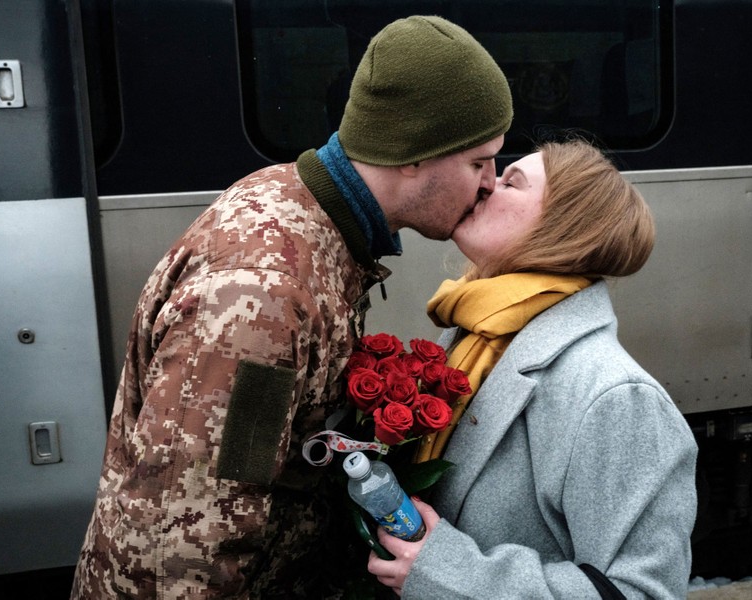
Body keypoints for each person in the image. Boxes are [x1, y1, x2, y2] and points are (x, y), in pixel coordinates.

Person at [71, 15, 512, 599]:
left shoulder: (307, 213)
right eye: (478, 162)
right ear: (412, 154)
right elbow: (188, 545)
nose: (490, 183)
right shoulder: (267, 294)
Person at [368, 137, 698, 599]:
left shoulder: (616, 396)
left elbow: (643, 593)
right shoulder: (476, 335)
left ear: (563, 227)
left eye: (510, 182)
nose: (486, 184)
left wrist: (450, 574)